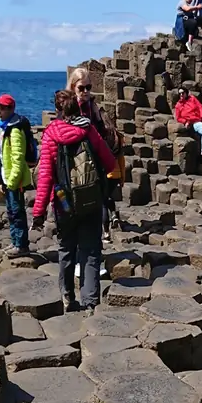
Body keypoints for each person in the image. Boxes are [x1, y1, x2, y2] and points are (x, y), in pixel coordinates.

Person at [32, 90, 117, 311]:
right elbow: (110, 163)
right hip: (90, 199)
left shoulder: (51, 134)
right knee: (91, 252)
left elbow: (45, 177)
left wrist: (38, 213)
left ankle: (68, 297)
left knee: (67, 249)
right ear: (77, 108)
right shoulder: (88, 129)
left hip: (64, 202)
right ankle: (90, 304)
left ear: (57, 110)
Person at [67, 67, 124, 240]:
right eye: (81, 88)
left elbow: (101, 134)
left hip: (94, 159)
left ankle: (99, 235)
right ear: (73, 87)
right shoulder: (68, 108)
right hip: (75, 160)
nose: (86, 91)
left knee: (97, 199)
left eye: (89, 87)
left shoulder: (93, 107)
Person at [0, 93, 31, 257]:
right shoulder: (4, 127)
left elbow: (18, 158)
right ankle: (15, 242)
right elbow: (0, 155)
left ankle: (21, 245)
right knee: (11, 212)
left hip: (15, 181)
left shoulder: (15, 130)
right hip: (7, 178)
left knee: (17, 212)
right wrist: (0, 178)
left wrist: (12, 181)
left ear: (11, 109)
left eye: (2, 108)